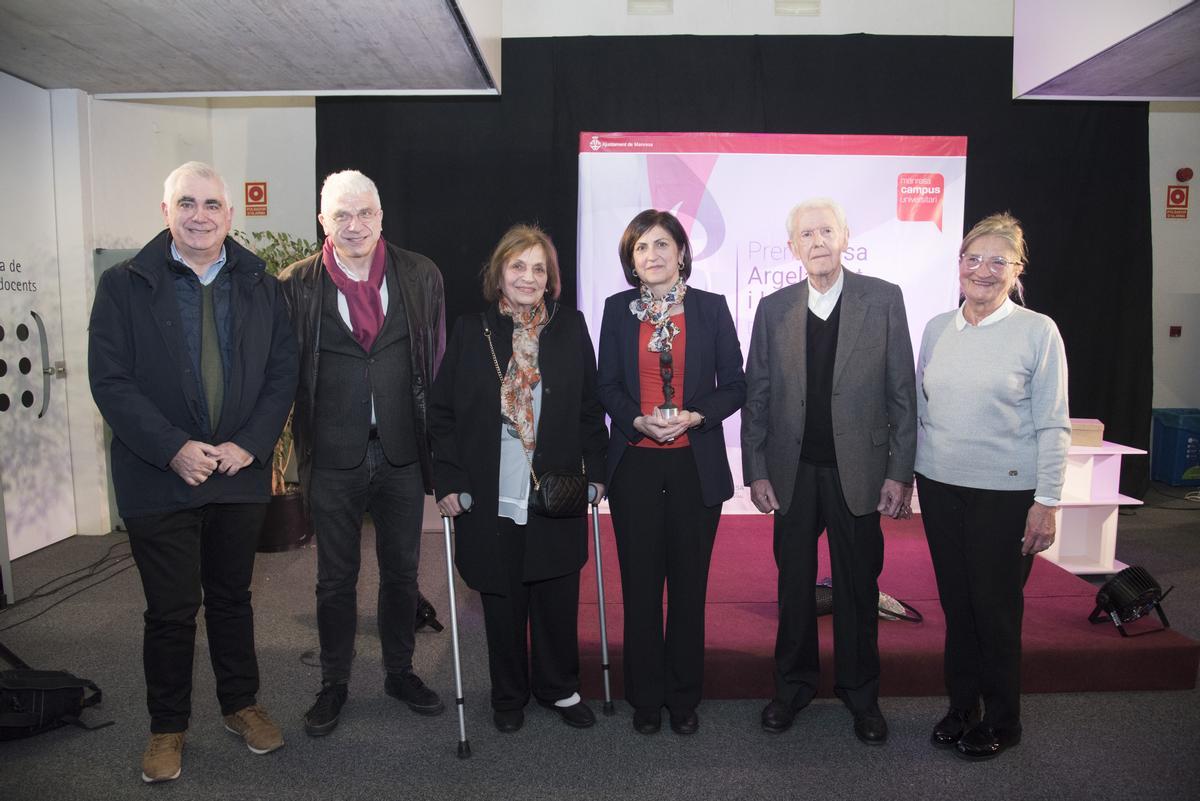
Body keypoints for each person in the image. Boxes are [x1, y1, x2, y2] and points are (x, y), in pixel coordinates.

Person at [88, 161, 298, 783]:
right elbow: (111, 381)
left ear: (230, 215)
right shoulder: (122, 285)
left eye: (211, 204)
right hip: (158, 473)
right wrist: (174, 447)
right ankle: (167, 728)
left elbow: (281, 372)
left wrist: (251, 445)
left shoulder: (262, 283)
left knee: (233, 599)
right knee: (172, 608)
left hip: (236, 470)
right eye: (187, 203)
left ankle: (242, 705)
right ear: (165, 212)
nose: (199, 215)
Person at [741, 197, 917, 745]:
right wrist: (757, 470)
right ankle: (791, 688)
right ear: (792, 247)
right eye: (805, 235)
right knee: (794, 587)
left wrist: (899, 473)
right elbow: (758, 397)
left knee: (858, 587)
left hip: (860, 472)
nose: (816, 241)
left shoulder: (884, 300)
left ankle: (861, 696)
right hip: (793, 473)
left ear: (845, 237)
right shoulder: (773, 308)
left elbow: (902, 395)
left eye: (825, 231)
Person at [278, 170, 446, 737]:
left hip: (400, 452)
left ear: (381, 216)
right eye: (341, 215)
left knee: (402, 573)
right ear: (322, 220)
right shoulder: (296, 283)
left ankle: (400, 672)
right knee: (334, 579)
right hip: (332, 454)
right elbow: (285, 374)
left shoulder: (420, 274)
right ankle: (335, 683)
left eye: (365, 213)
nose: (355, 226)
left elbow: (437, 363)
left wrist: (440, 447)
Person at [430, 224, 608, 733]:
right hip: (492, 491)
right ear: (499, 274)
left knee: (556, 592)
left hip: (556, 488)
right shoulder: (471, 331)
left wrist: (595, 474)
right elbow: (441, 413)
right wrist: (448, 478)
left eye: (538, 268)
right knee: (502, 597)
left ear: (550, 277)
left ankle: (558, 686)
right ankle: (508, 694)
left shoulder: (570, 328)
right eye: (517, 267)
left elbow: (591, 409)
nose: (528, 278)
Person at [915, 212, 1069, 761]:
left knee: (996, 610)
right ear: (958, 265)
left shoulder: (1037, 331)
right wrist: (909, 476)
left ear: (1016, 269)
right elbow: (921, 411)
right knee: (958, 607)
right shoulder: (937, 328)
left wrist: (1047, 501)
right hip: (938, 488)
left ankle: (1004, 718)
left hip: (1006, 495)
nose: (982, 270)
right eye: (972, 259)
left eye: (997, 261)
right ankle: (962, 708)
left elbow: (1054, 423)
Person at [596, 209, 746, 736]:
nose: (652, 255)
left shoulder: (710, 308)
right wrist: (635, 419)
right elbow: (607, 385)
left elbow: (735, 383)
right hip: (635, 464)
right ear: (630, 260)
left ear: (682, 252)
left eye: (662, 245)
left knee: (688, 588)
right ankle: (645, 698)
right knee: (639, 588)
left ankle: (683, 698)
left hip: (693, 465)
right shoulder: (617, 311)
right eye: (641, 248)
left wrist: (697, 415)